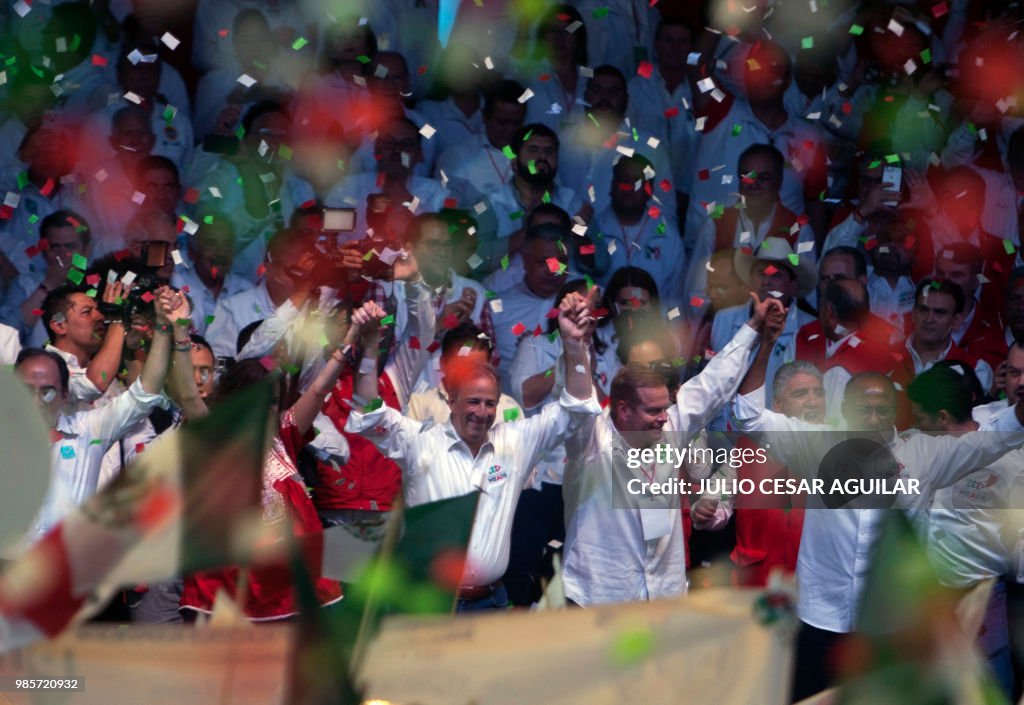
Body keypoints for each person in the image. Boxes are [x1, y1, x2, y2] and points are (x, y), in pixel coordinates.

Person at [733, 335, 1024, 701]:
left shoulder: (923, 454)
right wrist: (764, 343)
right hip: (821, 615)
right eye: (862, 409)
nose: (872, 418)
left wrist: (1018, 413)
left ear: (895, 412)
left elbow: (990, 441)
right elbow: (747, 414)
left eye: (882, 409)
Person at [345, 286, 601, 612]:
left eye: (489, 403)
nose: (481, 412)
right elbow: (368, 413)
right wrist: (368, 350)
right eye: (473, 402)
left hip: (491, 605)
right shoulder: (420, 441)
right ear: (450, 400)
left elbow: (577, 409)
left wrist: (574, 343)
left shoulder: (514, 442)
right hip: (427, 604)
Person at [560, 292, 783, 606]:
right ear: (622, 410)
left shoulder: (670, 429)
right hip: (601, 594)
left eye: (665, 408)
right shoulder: (592, 439)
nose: (664, 417)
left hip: (664, 593)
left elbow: (713, 382)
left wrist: (753, 327)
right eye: (653, 411)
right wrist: (574, 343)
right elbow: (578, 401)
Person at [20, 285, 180, 541]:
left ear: (63, 394)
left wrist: (162, 326)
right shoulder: (54, 370)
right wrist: (117, 319)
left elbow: (145, 392)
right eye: (87, 311)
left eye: (47, 392)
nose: (99, 317)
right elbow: (96, 383)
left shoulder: (86, 429)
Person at [692, 360, 820, 586]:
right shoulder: (747, 450)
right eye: (801, 394)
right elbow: (716, 501)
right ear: (778, 405)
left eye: (819, 393)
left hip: (816, 585)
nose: (813, 401)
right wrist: (706, 511)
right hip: (758, 584)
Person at [589, 155, 685, 311]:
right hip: (601, 327)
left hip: (653, 329)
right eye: (623, 180)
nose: (629, 187)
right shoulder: (593, 231)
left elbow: (675, 302)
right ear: (612, 186)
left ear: (650, 191)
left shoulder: (668, 236)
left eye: (637, 181)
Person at [435, 79, 527, 205]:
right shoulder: (457, 157)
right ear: (484, 116)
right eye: (502, 122)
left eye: (516, 123)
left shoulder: (533, 155)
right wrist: (484, 209)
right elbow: (449, 209)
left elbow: (549, 195)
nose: (510, 130)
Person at [903, 278, 993, 392]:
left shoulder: (976, 370)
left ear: (957, 320)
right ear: (913, 314)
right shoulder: (885, 357)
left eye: (940, 312)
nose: (929, 319)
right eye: (923, 310)